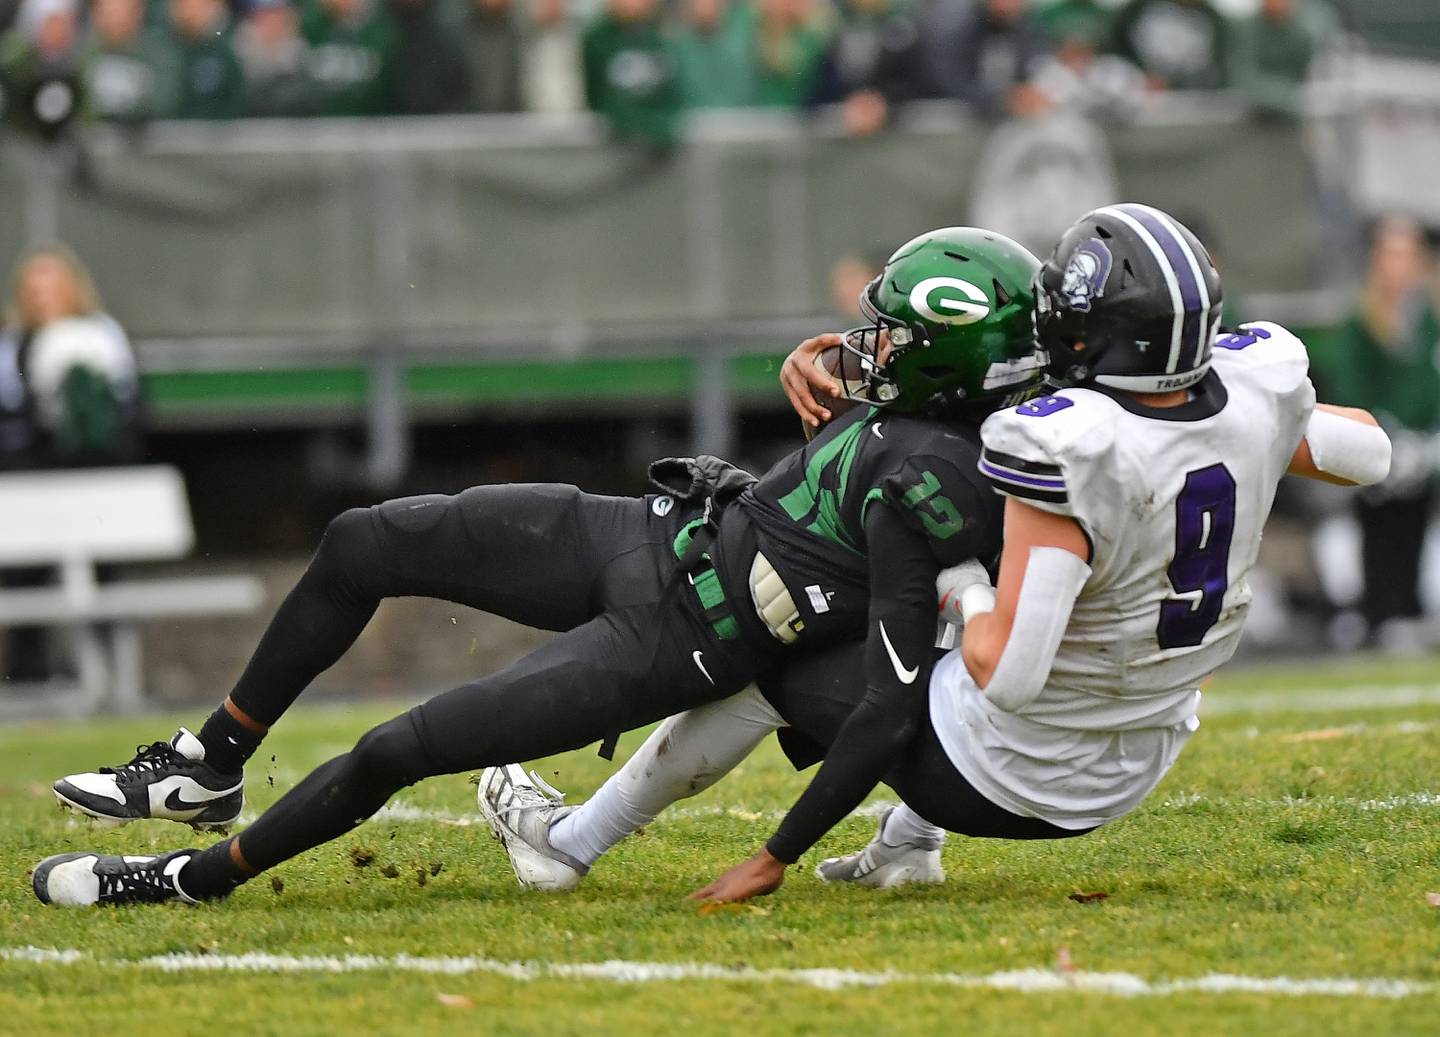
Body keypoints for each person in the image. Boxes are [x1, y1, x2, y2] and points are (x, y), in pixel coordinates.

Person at [31, 227, 1048, 907]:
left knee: (398, 747)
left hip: (675, 638)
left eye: (894, 335)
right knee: (365, 538)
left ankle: (183, 877)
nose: (866, 343)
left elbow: (894, 681)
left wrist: (778, 850)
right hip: (656, 530)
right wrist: (838, 363)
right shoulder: (934, 408)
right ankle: (212, 763)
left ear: (948, 364)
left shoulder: (956, 474)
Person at [488, 204, 1393, 902]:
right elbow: (1370, 452)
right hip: (1140, 752)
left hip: (1013, 771)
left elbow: (1006, 672)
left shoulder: (1069, 444)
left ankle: (569, 842)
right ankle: (907, 847)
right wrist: (1278, 421)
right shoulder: (1252, 391)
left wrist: (958, 587)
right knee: (982, 593)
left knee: (792, 649)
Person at [1322, 216, 1440, 648]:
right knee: (1377, 529)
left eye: (1408, 255)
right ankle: (1377, 608)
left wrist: (1425, 441)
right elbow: (1352, 388)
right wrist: (1383, 435)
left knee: (1415, 528)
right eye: (1391, 255)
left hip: (1422, 454)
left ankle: (1410, 608)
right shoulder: (1362, 322)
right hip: (1376, 451)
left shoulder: (1430, 319)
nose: (1400, 266)